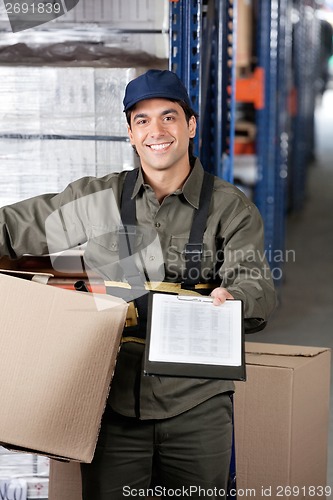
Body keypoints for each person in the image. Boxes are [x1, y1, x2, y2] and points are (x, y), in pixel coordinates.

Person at [0, 69, 276, 499]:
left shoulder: (231, 209)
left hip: (197, 404)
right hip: (113, 400)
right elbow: (15, 227)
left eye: (169, 116)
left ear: (190, 125)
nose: (156, 131)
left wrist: (234, 297)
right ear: (130, 133)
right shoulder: (99, 200)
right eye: (142, 120)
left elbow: (254, 282)